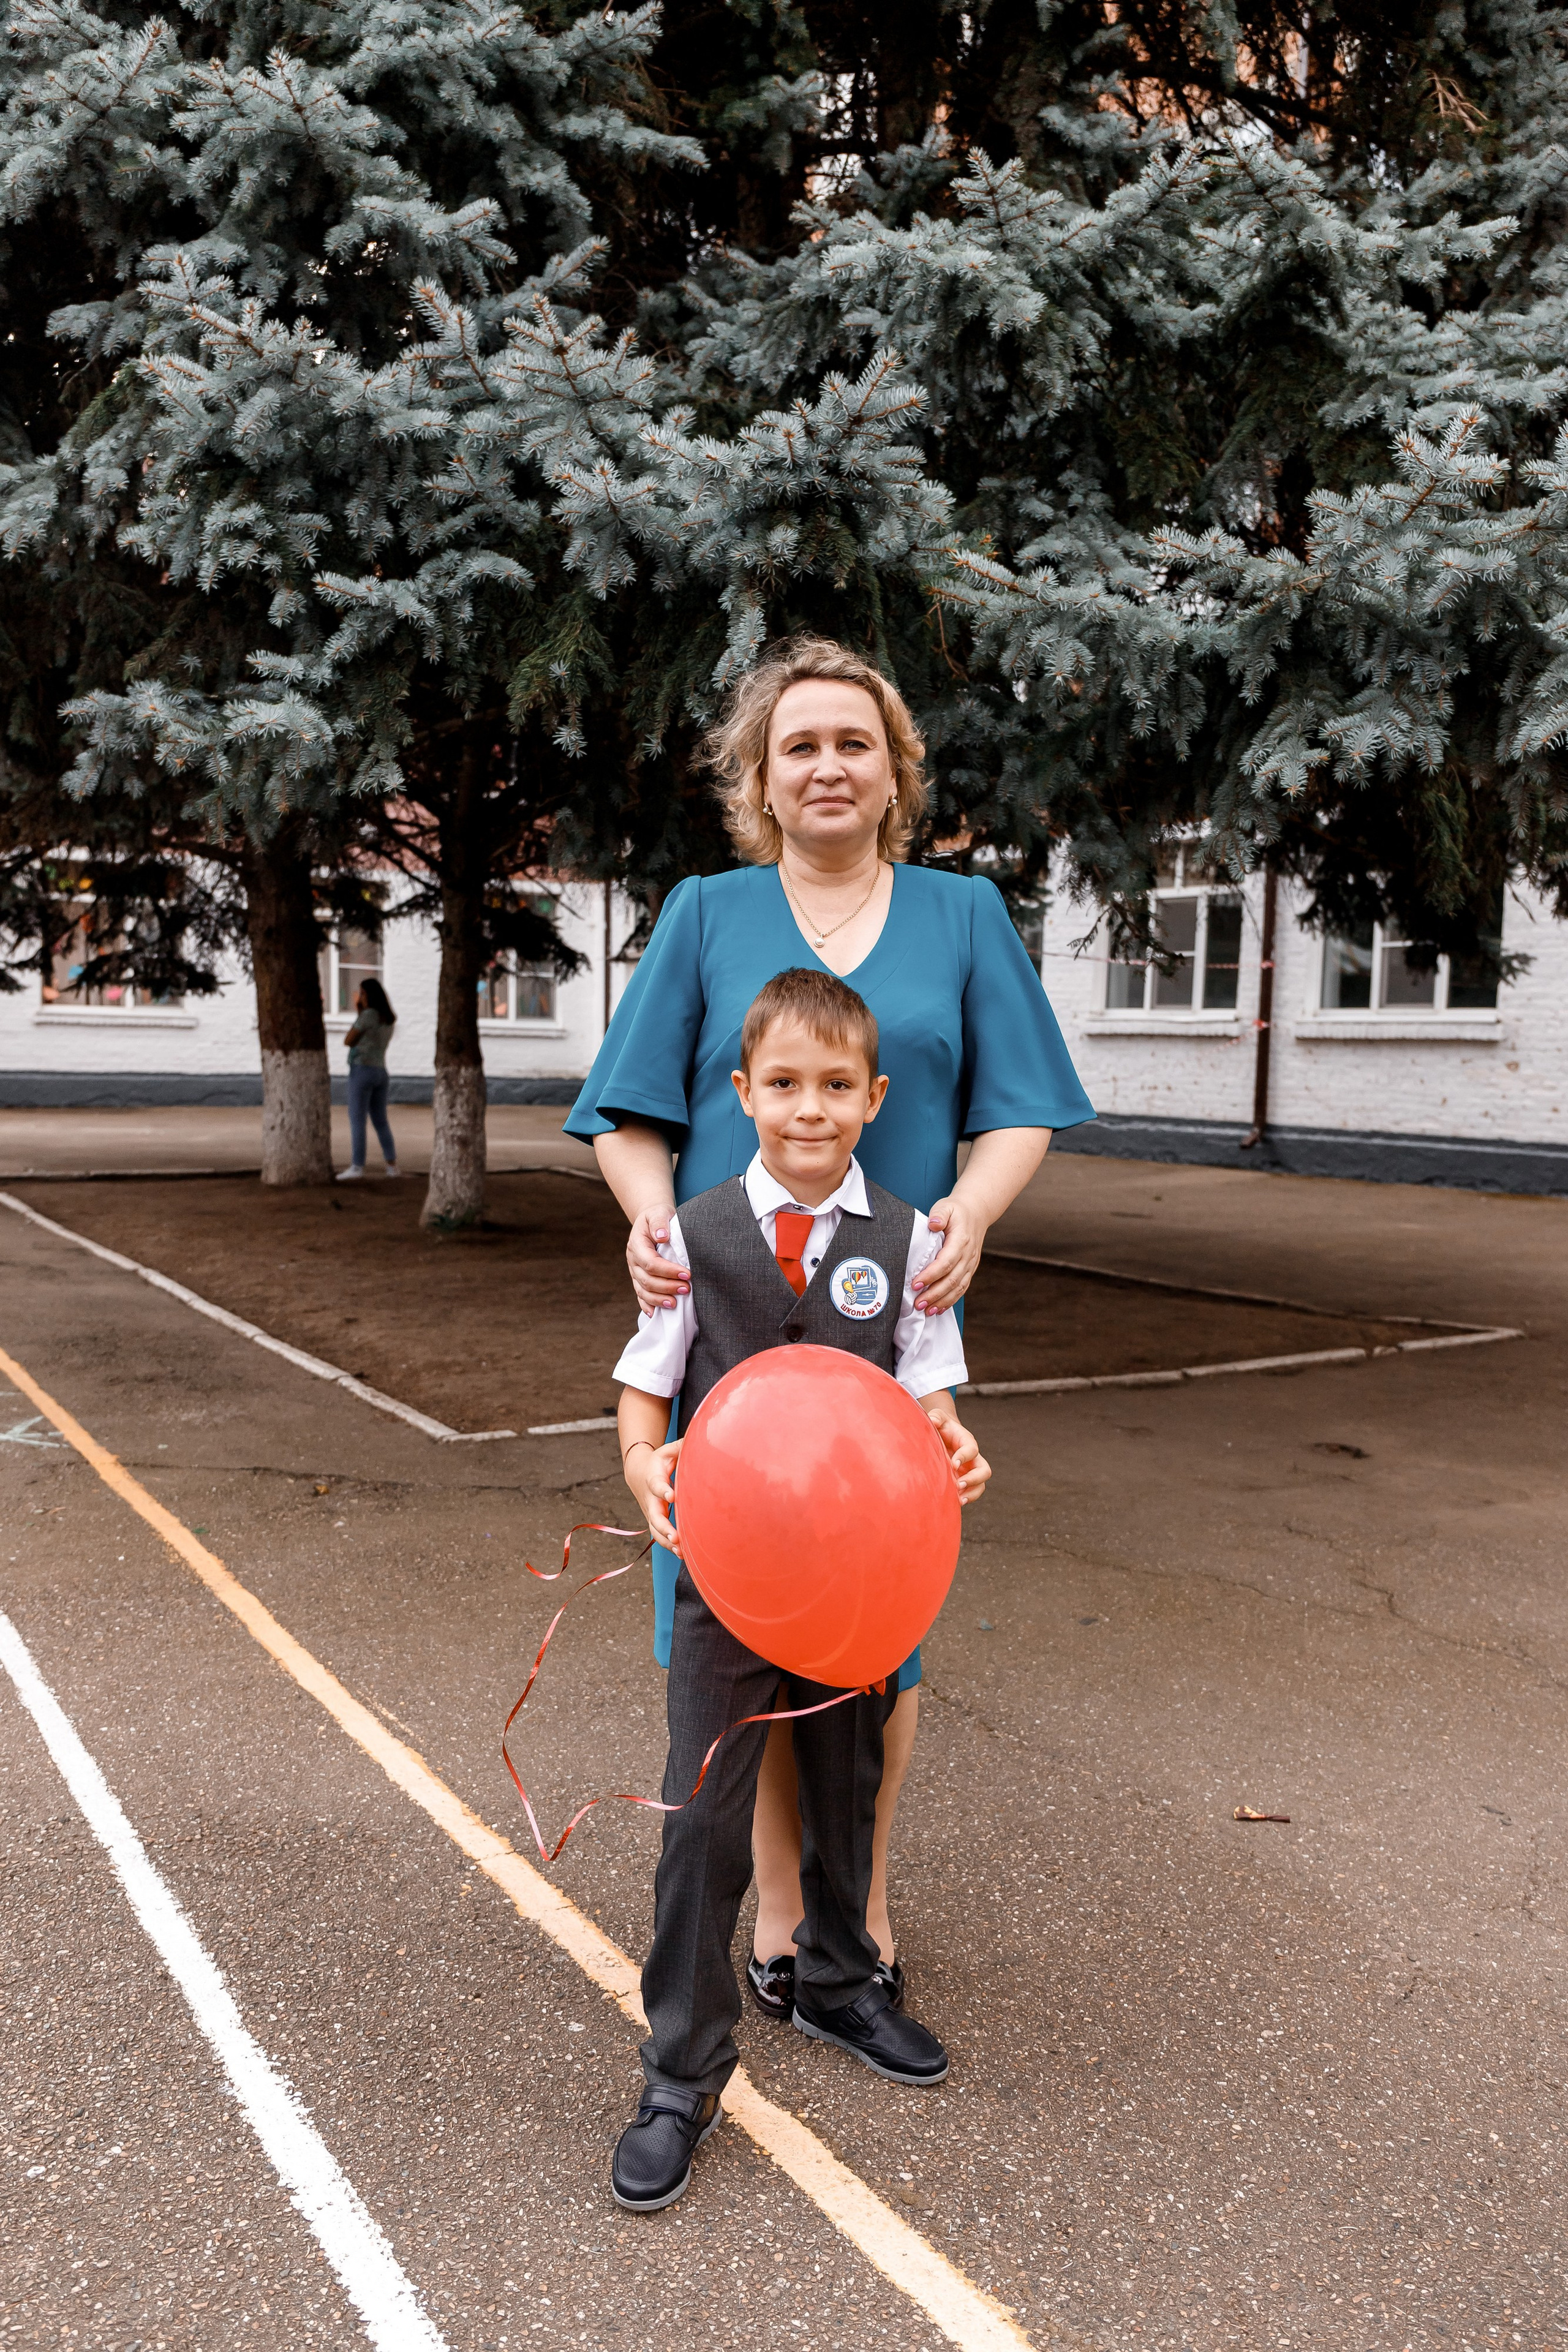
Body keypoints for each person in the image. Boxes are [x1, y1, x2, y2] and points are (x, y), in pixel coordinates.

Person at [565, 633, 1093, 2020]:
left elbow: (1018, 1104)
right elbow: (631, 1114)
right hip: (730, 1320)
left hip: (888, 1315)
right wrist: (643, 1218)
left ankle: (855, 1907)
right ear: (758, 772)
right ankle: (780, 1909)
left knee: (875, 1629)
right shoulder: (702, 911)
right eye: (797, 743)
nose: (826, 765)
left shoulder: (961, 916)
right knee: (743, 1609)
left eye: (852, 741)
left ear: (893, 768)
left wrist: (970, 1212)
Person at [611, 967, 990, 2211]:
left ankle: (836, 1982)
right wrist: (638, 1461)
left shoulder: (911, 1242)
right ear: (744, 1093)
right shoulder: (690, 1235)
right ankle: (678, 2071)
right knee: (702, 1820)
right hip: (724, 1579)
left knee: (846, 1789)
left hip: (855, 1580)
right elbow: (644, 1380)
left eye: (835, 1087)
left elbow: (923, 1395)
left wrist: (951, 1447)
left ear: (873, 1098)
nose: (809, 1109)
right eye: (784, 1085)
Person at [337, 976, 401, 1182]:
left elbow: (349, 1040)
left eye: (362, 993)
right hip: (381, 1071)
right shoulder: (388, 1018)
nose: (360, 996)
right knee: (381, 1120)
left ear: (368, 995)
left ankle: (357, 1166)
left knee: (357, 1120)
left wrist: (359, 1014)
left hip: (362, 1070)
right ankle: (392, 1166)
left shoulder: (368, 1015)